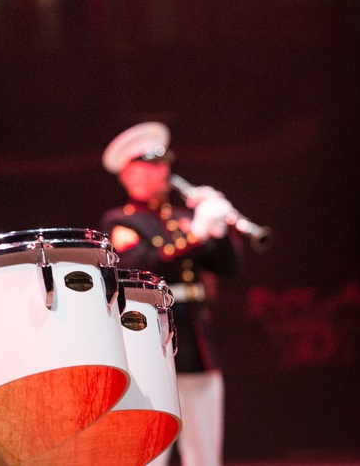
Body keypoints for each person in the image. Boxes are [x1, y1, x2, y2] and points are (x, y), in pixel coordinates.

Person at [99, 122, 243, 466]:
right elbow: (139, 264)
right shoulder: (122, 221)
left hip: (197, 340)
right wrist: (196, 232)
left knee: (206, 453)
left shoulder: (182, 217)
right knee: (151, 450)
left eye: (164, 162)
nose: (163, 170)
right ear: (129, 173)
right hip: (150, 339)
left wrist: (220, 230)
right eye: (151, 163)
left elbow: (228, 268)